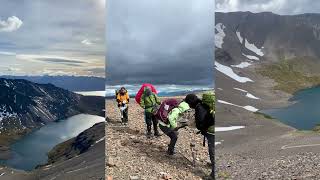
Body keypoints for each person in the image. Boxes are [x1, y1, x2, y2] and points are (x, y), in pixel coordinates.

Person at [185, 93, 215, 180]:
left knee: (213, 151)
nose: (189, 105)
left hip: (213, 132)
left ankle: (214, 175)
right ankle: (213, 165)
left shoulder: (199, 107)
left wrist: (200, 127)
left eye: (188, 103)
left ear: (191, 102)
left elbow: (201, 123)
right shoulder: (203, 104)